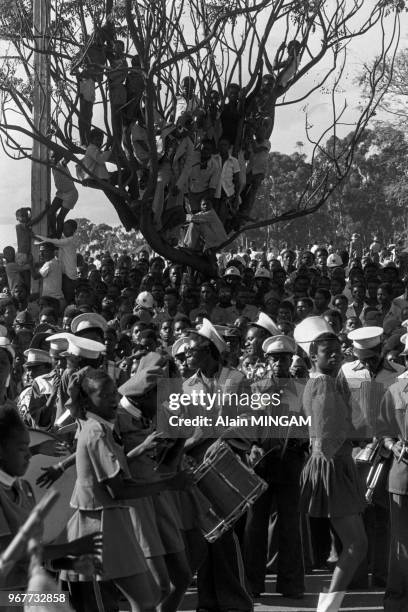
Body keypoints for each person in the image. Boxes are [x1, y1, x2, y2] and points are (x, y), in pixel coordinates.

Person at [294, 316, 367, 612]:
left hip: (337, 464)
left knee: (355, 545)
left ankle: (330, 602)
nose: (337, 355)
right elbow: (327, 438)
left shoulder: (329, 382)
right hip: (333, 467)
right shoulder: (323, 385)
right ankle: (329, 605)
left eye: (339, 350)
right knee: (355, 546)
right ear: (313, 356)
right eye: (328, 352)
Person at [244, 334, 305, 599]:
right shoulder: (256, 388)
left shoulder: (301, 388)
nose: (279, 363)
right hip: (261, 463)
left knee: (290, 525)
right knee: (255, 526)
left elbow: (310, 421)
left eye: (283, 358)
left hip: (291, 461)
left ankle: (291, 584)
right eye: (274, 358)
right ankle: (252, 583)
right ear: (267, 360)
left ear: (291, 359)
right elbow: (246, 421)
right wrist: (250, 447)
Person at [34, 220, 78, 305]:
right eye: (64, 228)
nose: (64, 230)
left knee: (68, 298)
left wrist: (37, 237)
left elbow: (53, 242)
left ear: (74, 230)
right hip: (66, 273)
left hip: (70, 276)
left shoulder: (68, 241)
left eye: (68, 228)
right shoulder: (64, 239)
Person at [30, 242, 64, 318]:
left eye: (44, 251)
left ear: (52, 252)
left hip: (50, 300)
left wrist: (30, 264)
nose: (41, 254)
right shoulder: (56, 262)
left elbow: (35, 276)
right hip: (58, 299)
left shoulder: (48, 264)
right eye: (40, 252)